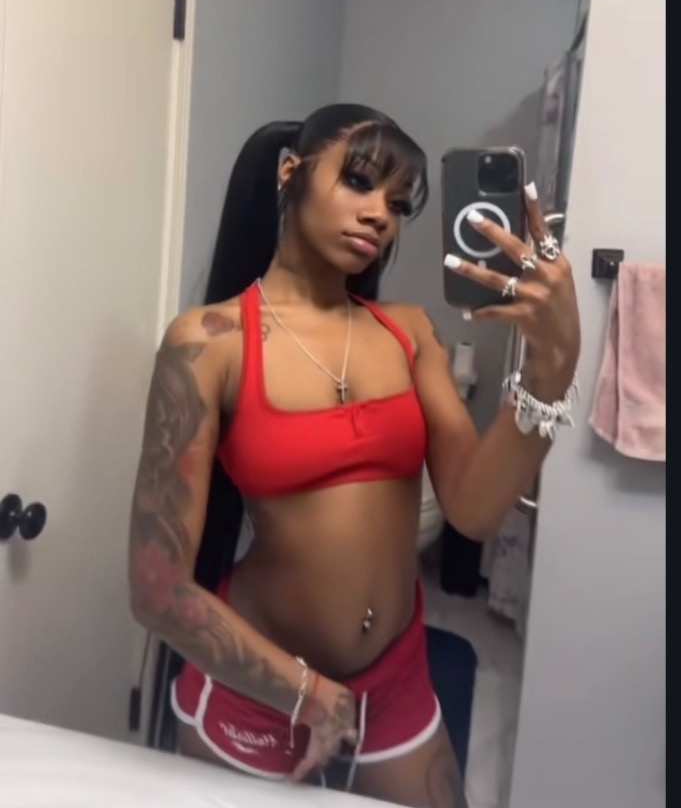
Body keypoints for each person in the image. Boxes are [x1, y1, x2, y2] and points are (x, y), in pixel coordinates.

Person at [128, 104, 580, 808]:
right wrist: (308, 693)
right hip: (261, 687)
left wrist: (554, 363)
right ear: (291, 172)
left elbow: (473, 509)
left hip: (396, 678)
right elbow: (157, 588)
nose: (379, 216)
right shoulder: (210, 342)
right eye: (360, 182)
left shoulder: (407, 333)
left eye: (397, 205)